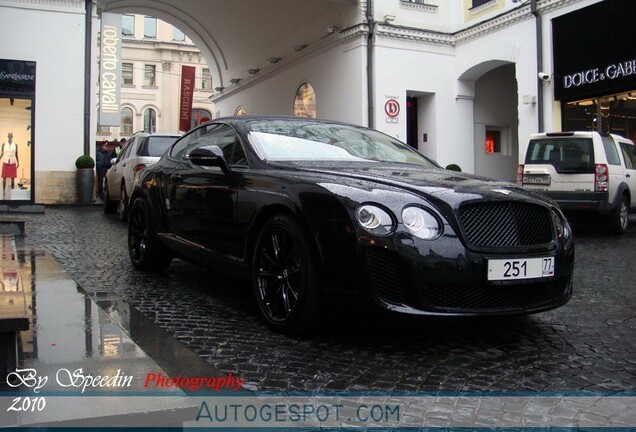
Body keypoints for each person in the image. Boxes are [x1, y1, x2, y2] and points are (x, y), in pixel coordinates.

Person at [0, 132, 19, 200]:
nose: (10, 137)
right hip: (5, 161)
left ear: (12, 136)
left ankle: (12, 192)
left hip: (13, 162)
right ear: (7, 136)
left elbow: (16, 153)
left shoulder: (15, 145)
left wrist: (18, 162)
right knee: (4, 178)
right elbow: (2, 153)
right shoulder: (4, 144)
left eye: (11, 135)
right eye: (9, 136)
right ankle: (4, 192)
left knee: (13, 178)